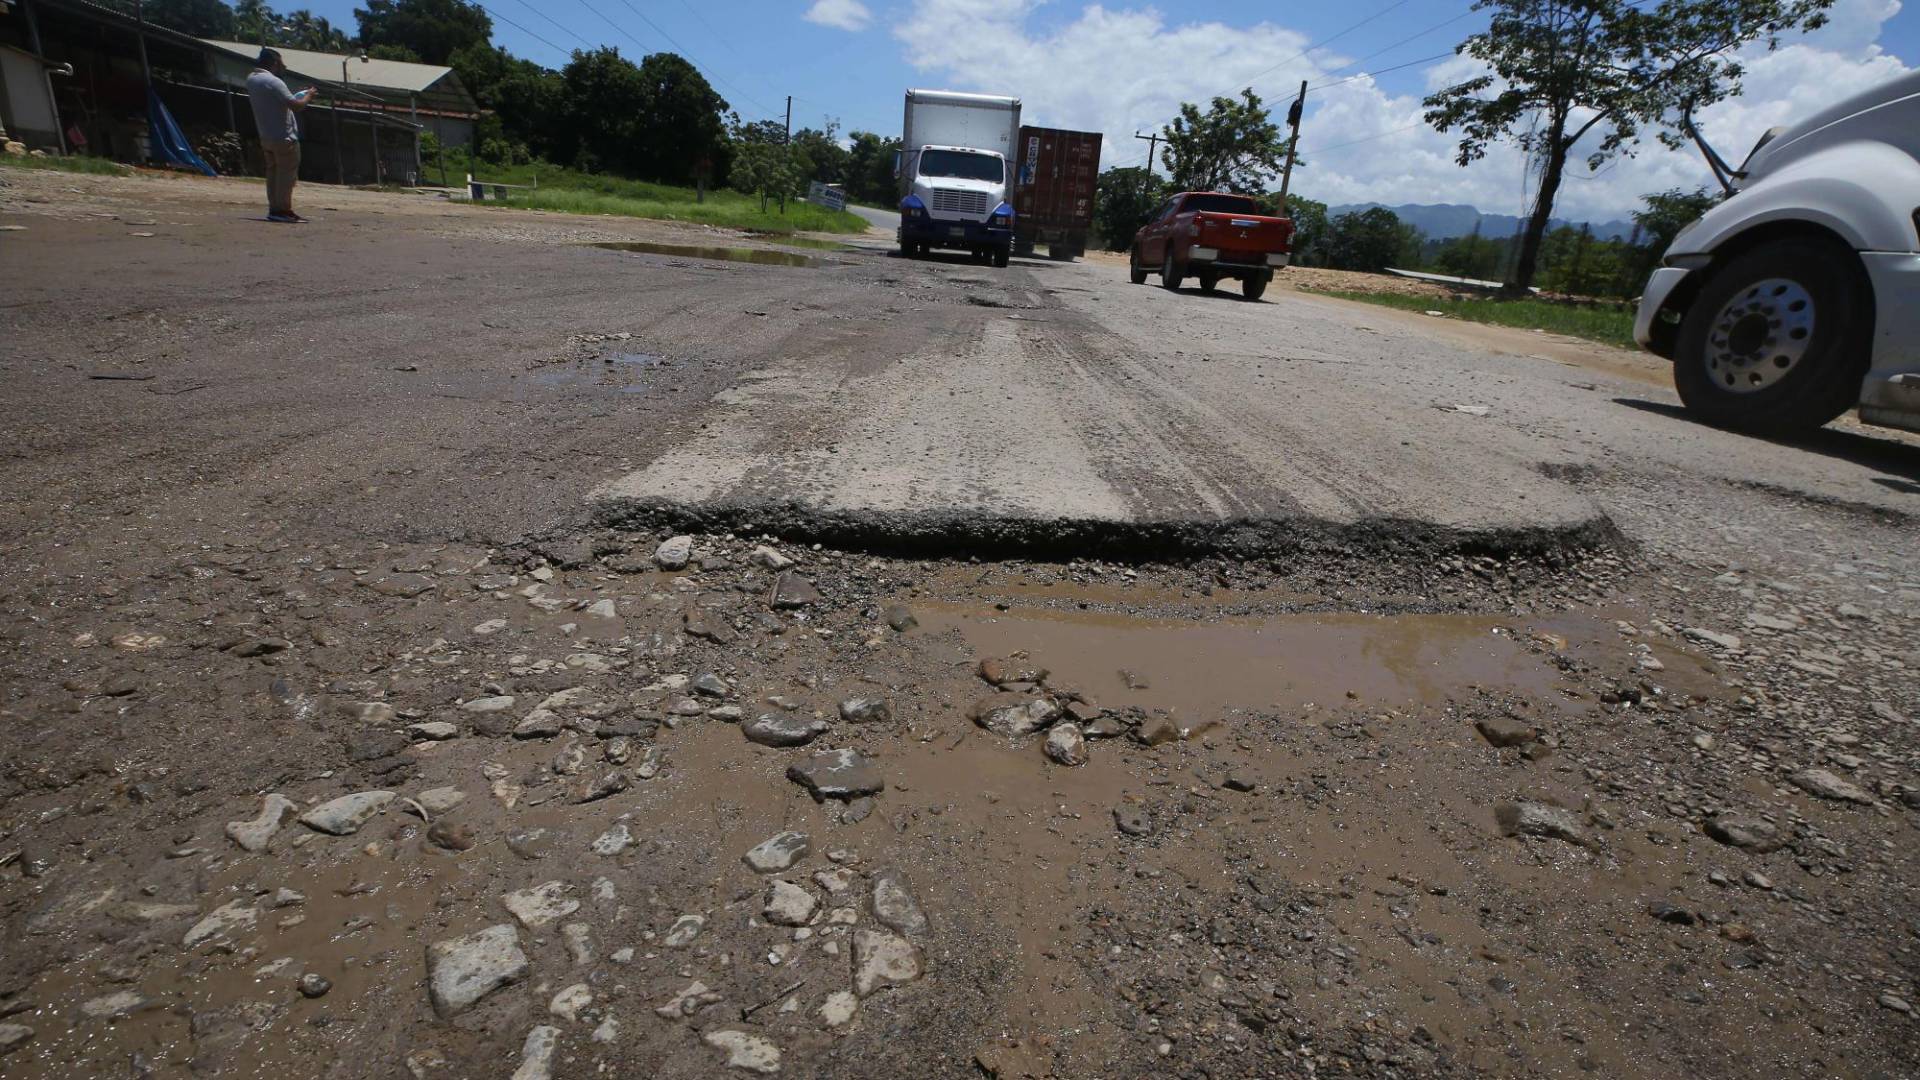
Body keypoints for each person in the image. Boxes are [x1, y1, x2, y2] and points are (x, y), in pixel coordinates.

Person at [246, 48, 316, 223]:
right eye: (281, 63)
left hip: (266, 135)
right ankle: (283, 210)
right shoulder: (273, 81)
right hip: (283, 137)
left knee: (273, 174)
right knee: (286, 175)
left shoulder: (252, 79)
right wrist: (308, 95)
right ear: (275, 63)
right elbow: (296, 105)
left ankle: (274, 208)